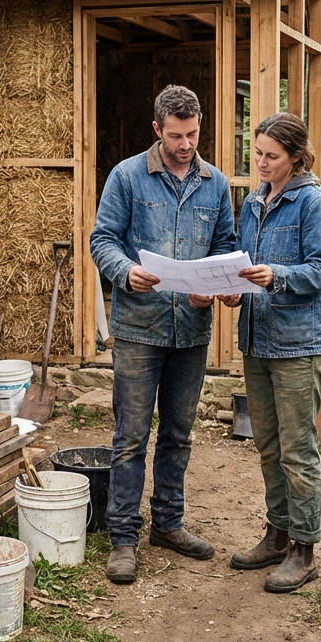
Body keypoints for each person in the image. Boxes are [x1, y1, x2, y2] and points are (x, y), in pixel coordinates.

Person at [90, 85, 235, 585]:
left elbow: (225, 246)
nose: (186, 145)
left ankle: (168, 524)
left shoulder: (215, 184)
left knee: (178, 434)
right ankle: (123, 537)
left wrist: (217, 289)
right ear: (157, 130)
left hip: (191, 330)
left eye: (193, 134)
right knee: (131, 437)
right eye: (176, 136)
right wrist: (125, 272)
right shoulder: (126, 176)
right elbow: (102, 239)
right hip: (137, 329)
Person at [219, 112, 321, 593]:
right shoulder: (252, 203)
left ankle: (304, 551)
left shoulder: (312, 203)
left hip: (296, 345)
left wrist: (278, 276)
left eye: (271, 155)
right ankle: (277, 533)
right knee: (267, 445)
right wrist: (233, 288)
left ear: (295, 156)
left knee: (297, 451)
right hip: (256, 339)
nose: (261, 163)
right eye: (257, 153)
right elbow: (243, 262)